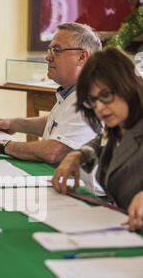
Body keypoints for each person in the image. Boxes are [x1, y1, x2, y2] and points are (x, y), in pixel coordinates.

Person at [0, 23, 102, 192]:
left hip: (86, 195)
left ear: (81, 57)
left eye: (56, 50)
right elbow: (58, 122)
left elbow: (52, 151)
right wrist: (16, 124)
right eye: (49, 50)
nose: (48, 57)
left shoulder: (87, 99)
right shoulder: (73, 91)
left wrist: (3, 145)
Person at [52, 46, 143, 231]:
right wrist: (78, 155)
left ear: (127, 84)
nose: (99, 108)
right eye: (92, 100)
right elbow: (102, 141)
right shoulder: (120, 124)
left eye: (106, 95)